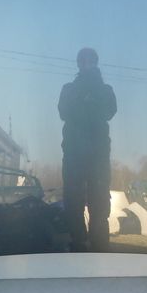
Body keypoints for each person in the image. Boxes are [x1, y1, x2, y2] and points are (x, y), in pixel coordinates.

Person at [58, 48, 117, 252]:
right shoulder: (68, 89)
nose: (86, 64)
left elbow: (109, 111)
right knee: (72, 200)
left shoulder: (105, 89)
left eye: (90, 61)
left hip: (98, 155)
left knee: (99, 200)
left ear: (96, 63)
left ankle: (100, 247)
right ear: (78, 64)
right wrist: (86, 100)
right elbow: (63, 112)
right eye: (82, 61)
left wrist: (89, 97)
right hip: (73, 153)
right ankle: (79, 244)